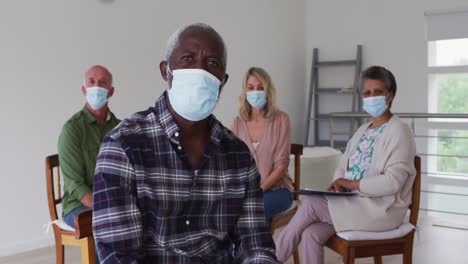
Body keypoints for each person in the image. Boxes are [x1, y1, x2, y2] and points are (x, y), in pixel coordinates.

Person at [92, 23, 277, 263]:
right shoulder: (124, 146)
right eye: (188, 59)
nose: (200, 71)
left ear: (223, 79)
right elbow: (119, 256)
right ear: (165, 71)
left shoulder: (237, 156)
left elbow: (255, 244)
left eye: (212, 63)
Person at [275, 66, 417, 264]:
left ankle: (269, 260)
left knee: (309, 205)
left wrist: (350, 184)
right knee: (310, 233)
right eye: (367, 93)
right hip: (352, 204)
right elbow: (342, 166)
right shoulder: (362, 131)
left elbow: (393, 182)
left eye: (378, 92)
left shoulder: (400, 131)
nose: (372, 97)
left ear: (390, 95)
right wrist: (338, 184)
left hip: (380, 210)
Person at [58, 65, 120, 228]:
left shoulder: (120, 128)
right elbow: (74, 184)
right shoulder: (72, 130)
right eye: (91, 82)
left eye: (102, 82)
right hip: (77, 205)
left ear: (111, 91)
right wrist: (105, 207)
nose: (96, 87)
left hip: (113, 201)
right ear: (84, 90)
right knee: (108, 225)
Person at [231, 67, 292, 224]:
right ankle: (237, 249)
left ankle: (255, 249)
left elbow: (281, 166)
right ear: (245, 91)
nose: (255, 92)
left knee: (254, 209)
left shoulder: (281, 120)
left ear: (268, 91)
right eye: (251, 88)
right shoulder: (238, 124)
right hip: (246, 191)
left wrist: (258, 191)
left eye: (260, 88)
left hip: (277, 191)